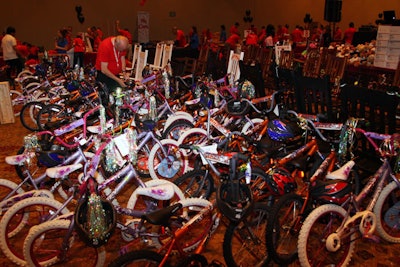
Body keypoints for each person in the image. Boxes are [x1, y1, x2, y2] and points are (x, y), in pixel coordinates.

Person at [95, 35, 129, 105]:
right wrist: (119, 80)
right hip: (104, 76)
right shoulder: (105, 46)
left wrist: (124, 73)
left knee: (118, 96)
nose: (122, 51)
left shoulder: (121, 45)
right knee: (106, 99)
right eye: (121, 49)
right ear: (115, 45)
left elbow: (122, 58)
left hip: (115, 75)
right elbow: (104, 69)